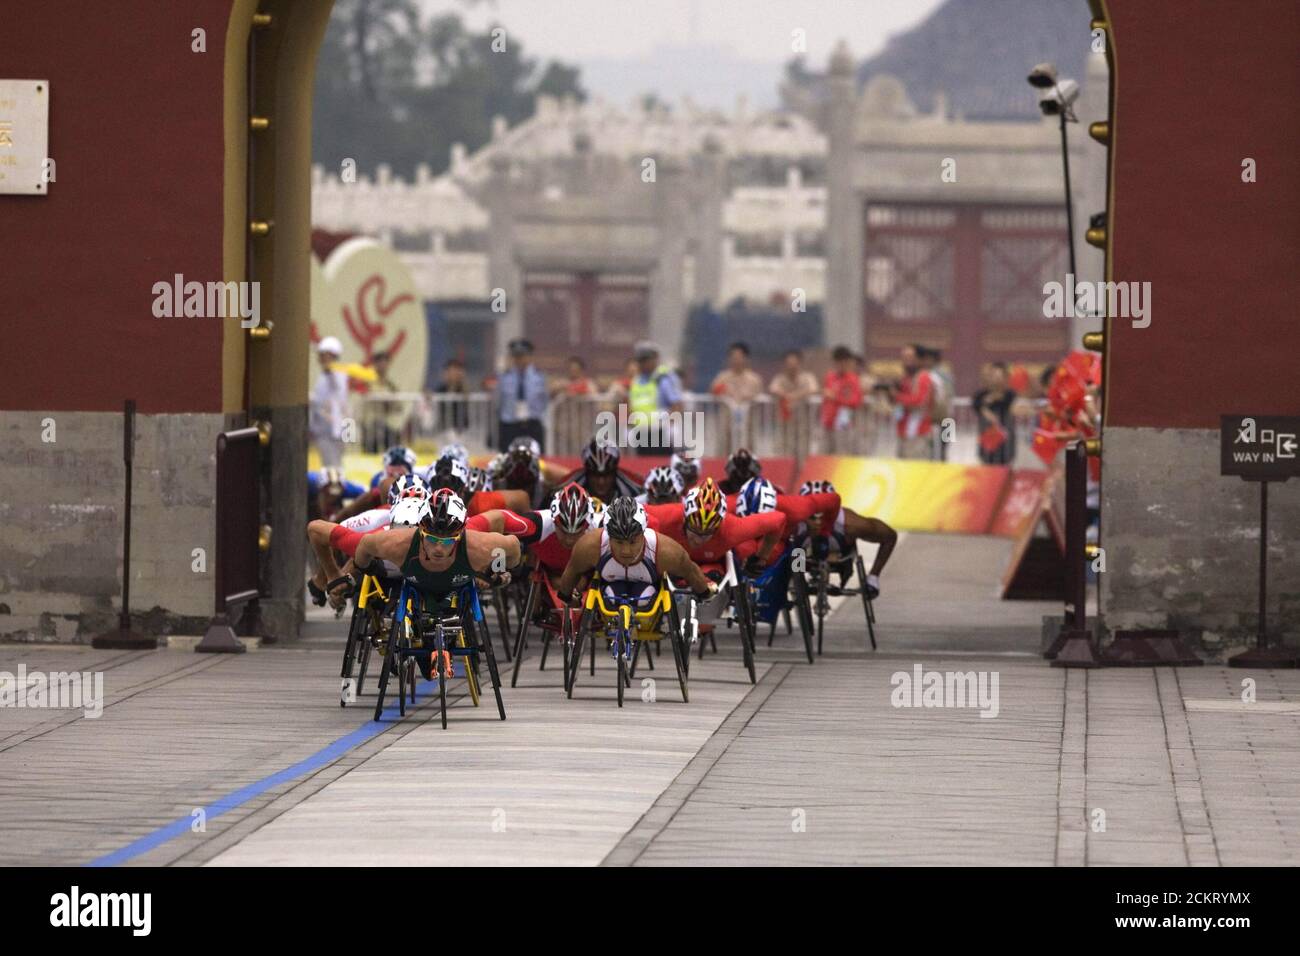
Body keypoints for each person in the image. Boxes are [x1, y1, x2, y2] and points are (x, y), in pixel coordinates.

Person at [556, 497, 717, 611]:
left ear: (643, 533)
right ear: (608, 535)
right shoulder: (589, 546)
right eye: (619, 542)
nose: (626, 551)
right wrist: (568, 597)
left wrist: (703, 591)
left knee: (644, 599)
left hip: (648, 587)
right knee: (611, 598)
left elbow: (691, 571)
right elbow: (572, 572)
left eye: (632, 542)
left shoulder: (667, 551)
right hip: (609, 587)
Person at [627, 340, 684, 456]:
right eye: (640, 361)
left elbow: (676, 404)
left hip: (660, 432)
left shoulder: (664, 378)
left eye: (646, 360)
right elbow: (632, 406)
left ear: (655, 359)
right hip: (641, 432)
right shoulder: (636, 381)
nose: (643, 364)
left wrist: (672, 428)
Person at [495, 338, 548, 453]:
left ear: (529, 357)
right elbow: (498, 401)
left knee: (536, 459)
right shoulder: (504, 377)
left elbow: (544, 400)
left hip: (532, 424)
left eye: (522, 356)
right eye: (516, 356)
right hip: (510, 424)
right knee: (507, 459)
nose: (519, 359)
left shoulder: (539, 377)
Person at [309, 337, 352, 468]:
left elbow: (336, 395)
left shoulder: (336, 373)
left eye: (323, 354)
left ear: (331, 355)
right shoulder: (325, 375)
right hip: (323, 429)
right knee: (329, 464)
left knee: (333, 466)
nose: (320, 357)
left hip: (333, 429)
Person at [893, 344, 935, 460]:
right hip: (904, 432)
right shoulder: (905, 378)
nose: (906, 362)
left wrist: (897, 396)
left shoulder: (923, 377)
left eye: (910, 358)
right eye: (904, 358)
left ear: (919, 360)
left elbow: (919, 401)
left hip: (918, 434)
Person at [972, 362, 1018, 465]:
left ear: (1006, 377)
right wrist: (985, 408)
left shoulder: (1010, 395)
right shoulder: (981, 395)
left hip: (1006, 443)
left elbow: (1009, 405)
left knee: (1004, 470)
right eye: (993, 375)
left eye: (999, 375)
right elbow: (977, 405)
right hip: (987, 439)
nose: (996, 379)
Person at [821, 346, 864, 454]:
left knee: (842, 453)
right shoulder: (830, 377)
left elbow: (856, 401)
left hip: (843, 422)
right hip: (828, 421)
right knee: (824, 454)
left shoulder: (853, 379)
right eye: (838, 362)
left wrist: (836, 398)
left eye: (844, 361)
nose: (841, 365)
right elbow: (826, 396)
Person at [432, 357, 470, 436]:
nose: (452, 373)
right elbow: (435, 396)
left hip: (461, 429)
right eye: (450, 370)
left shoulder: (463, 388)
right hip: (445, 428)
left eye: (456, 370)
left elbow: (466, 393)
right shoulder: (442, 388)